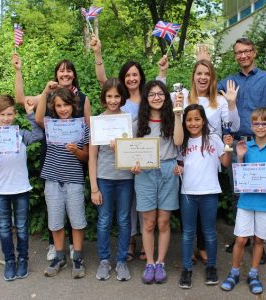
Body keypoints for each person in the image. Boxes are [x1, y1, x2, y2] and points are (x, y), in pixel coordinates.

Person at [216, 37, 266, 263]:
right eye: (239, 52)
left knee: (260, 191)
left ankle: (259, 241)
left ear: (254, 52)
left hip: (259, 144)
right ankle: (242, 237)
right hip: (236, 144)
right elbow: (209, 100)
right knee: (237, 193)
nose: (243, 55)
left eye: (247, 51)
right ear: (234, 55)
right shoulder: (227, 82)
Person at [90, 34, 167, 261]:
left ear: (140, 77)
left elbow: (159, 92)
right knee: (126, 211)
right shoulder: (116, 99)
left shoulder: (147, 96)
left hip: (138, 160)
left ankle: (144, 243)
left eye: (135, 74)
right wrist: (97, 53)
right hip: (110, 168)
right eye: (128, 75)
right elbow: (103, 80)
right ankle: (131, 242)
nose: (132, 78)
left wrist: (162, 72)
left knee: (140, 204)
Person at [160, 55, 240, 263]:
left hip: (210, 157)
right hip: (184, 157)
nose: (203, 77)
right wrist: (162, 73)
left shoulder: (220, 101)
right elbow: (157, 98)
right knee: (188, 207)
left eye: (207, 74)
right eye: (199, 73)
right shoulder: (183, 95)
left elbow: (234, 126)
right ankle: (190, 251)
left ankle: (202, 248)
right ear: (193, 76)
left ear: (212, 78)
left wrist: (231, 105)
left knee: (205, 203)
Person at [12, 54, 91, 261]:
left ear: (74, 75)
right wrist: (18, 70)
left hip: (75, 156)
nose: (65, 73)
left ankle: (76, 247)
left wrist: (80, 149)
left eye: (69, 70)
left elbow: (88, 128)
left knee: (74, 205)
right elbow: (21, 100)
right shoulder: (49, 94)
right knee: (54, 204)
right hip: (53, 154)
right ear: (56, 74)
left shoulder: (83, 98)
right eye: (61, 70)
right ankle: (55, 248)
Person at [220, 108, 266, 294]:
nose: (260, 126)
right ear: (251, 126)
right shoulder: (244, 146)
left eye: (264, 123)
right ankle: (234, 272)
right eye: (256, 123)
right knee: (241, 239)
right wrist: (240, 156)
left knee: (259, 240)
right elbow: (240, 174)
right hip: (246, 201)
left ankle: (253, 273)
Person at [0, 95, 43, 281]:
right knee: (5, 228)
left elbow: (38, 135)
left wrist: (30, 115)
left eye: (9, 114)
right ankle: (9, 261)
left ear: (15, 114)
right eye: (2, 114)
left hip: (21, 188)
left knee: (22, 227)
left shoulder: (21, 135)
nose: (6, 118)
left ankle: (23, 259)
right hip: (1, 191)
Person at [174, 104, 232, 289]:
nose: (193, 123)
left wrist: (228, 146)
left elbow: (225, 163)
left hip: (209, 192)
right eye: (189, 119)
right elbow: (179, 164)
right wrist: (178, 168)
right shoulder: (182, 141)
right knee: (187, 233)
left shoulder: (213, 139)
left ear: (204, 120)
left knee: (209, 232)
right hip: (188, 194)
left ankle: (212, 267)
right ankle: (187, 268)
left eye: (197, 119)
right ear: (185, 122)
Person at [131, 80, 183, 284]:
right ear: (146, 98)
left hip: (168, 171)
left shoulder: (172, 118)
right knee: (149, 222)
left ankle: (161, 262)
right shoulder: (138, 123)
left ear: (166, 97)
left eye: (160, 93)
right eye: (152, 94)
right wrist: (132, 165)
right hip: (145, 174)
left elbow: (178, 142)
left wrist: (178, 114)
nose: (157, 97)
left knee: (163, 222)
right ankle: (150, 263)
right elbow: (131, 151)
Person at [35, 85, 90, 278]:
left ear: (73, 105)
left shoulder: (82, 126)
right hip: (52, 180)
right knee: (55, 222)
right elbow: (38, 119)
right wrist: (44, 93)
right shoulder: (50, 124)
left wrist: (76, 151)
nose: (63, 109)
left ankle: (78, 257)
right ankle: (59, 257)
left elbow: (87, 157)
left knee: (77, 221)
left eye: (66, 105)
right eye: (58, 106)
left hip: (74, 180)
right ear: (54, 107)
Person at [88, 78, 133, 281]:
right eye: (109, 96)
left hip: (125, 178)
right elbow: (92, 156)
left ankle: (122, 261)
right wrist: (93, 187)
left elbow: (133, 153)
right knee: (104, 220)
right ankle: (104, 261)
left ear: (122, 97)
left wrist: (122, 148)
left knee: (124, 220)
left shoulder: (127, 120)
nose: (113, 100)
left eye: (116, 96)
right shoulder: (97, 121)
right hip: (104, 178)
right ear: (104, 98)